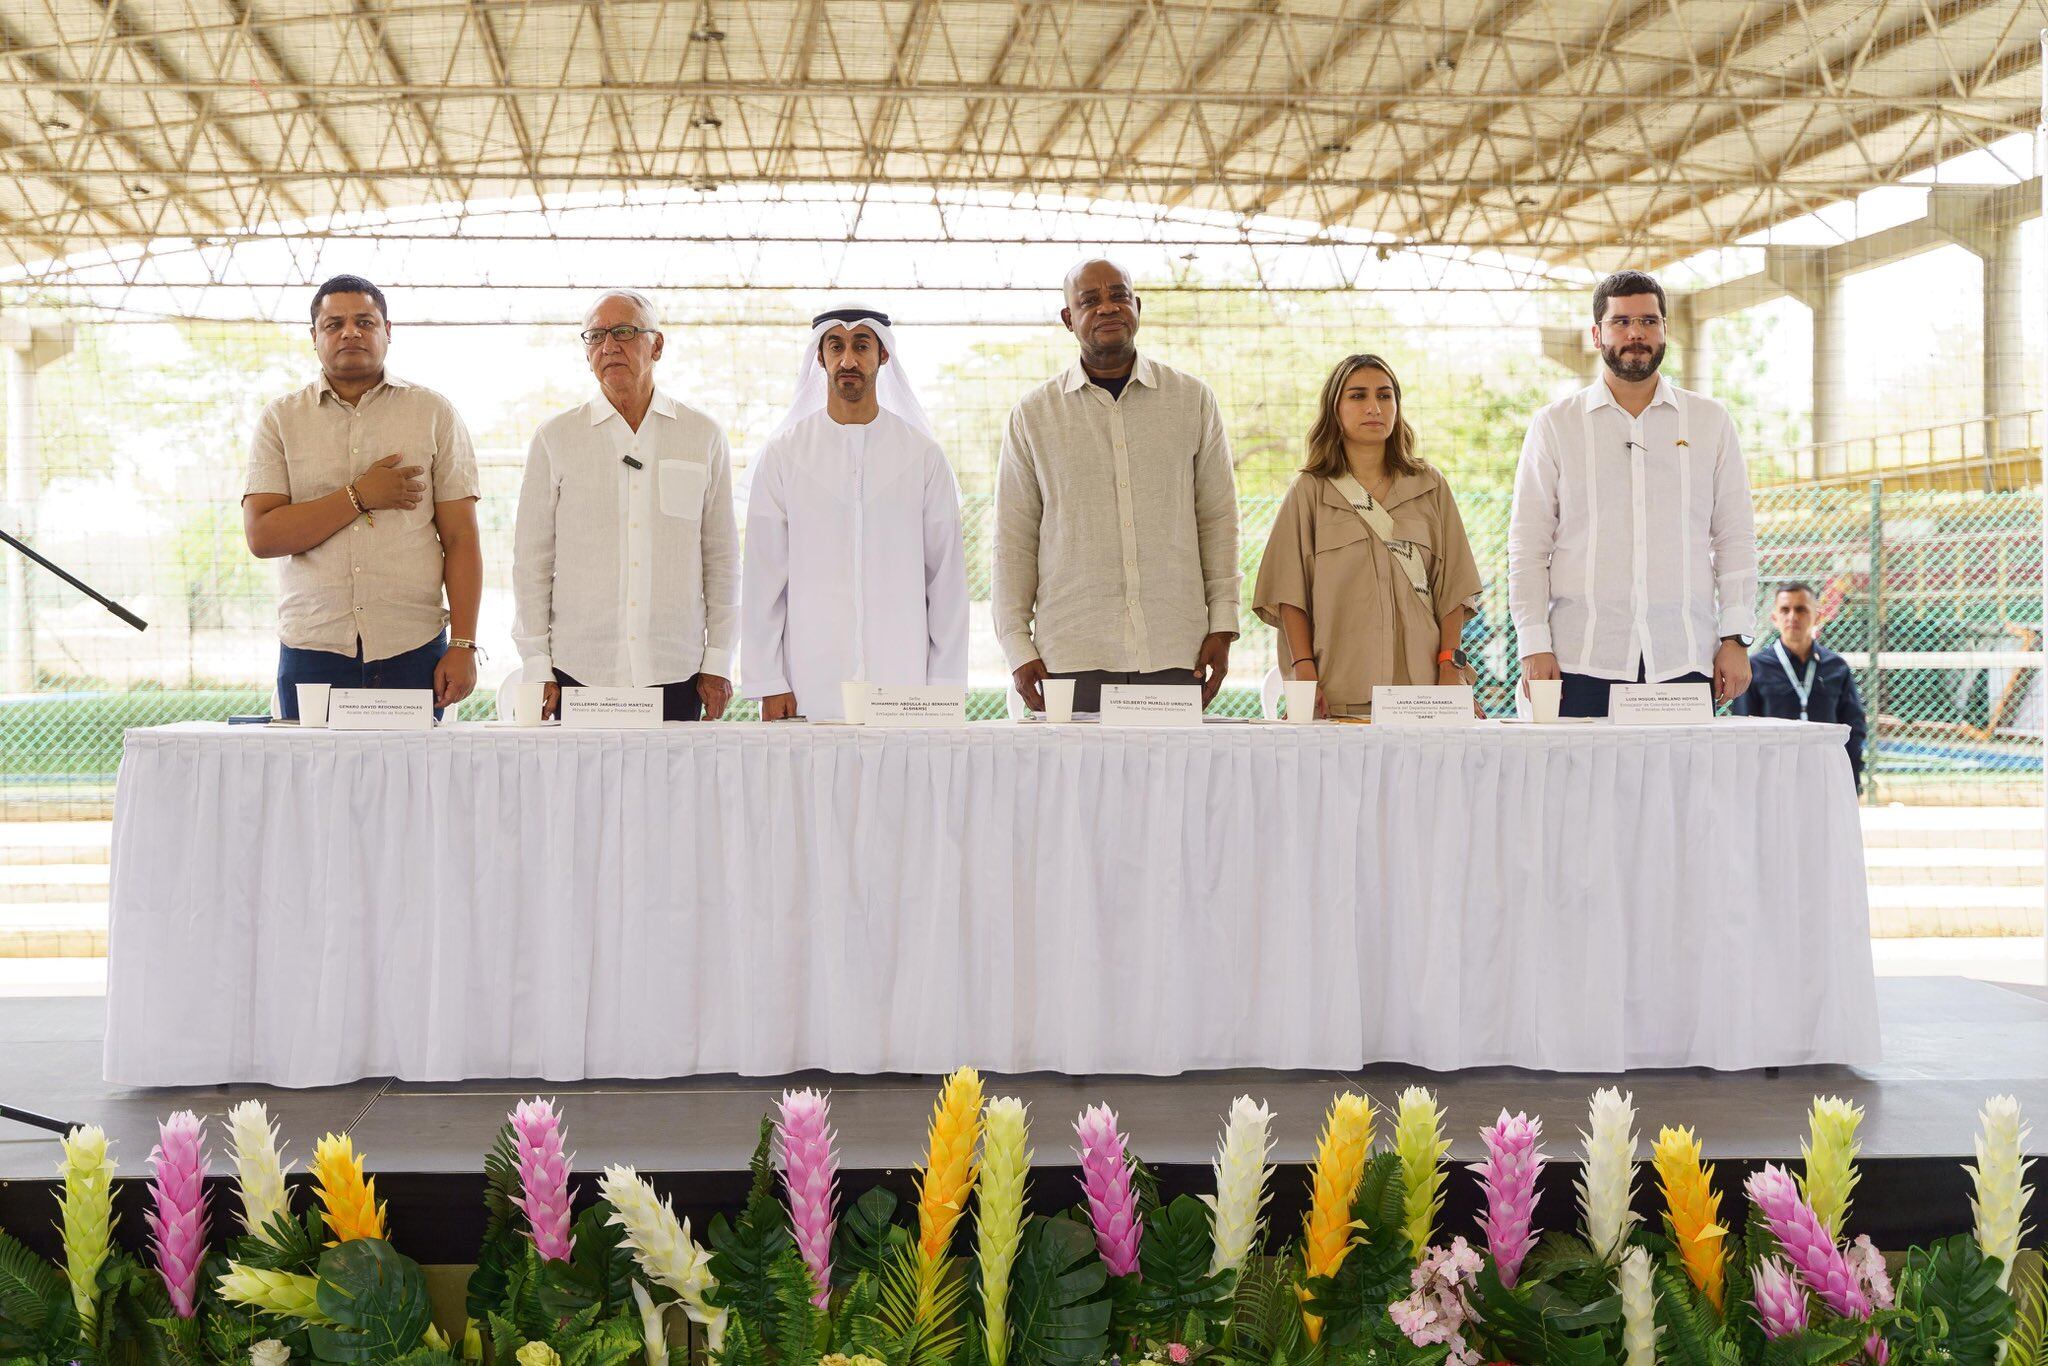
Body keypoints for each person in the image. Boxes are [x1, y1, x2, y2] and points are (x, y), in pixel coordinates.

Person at [993, 258, 1241, 714]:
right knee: (1074, 786)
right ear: (1069, 319)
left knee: (1175, 785)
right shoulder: (1033, 416)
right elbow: (1013, 541)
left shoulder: (1192, 401)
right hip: (1068, 655)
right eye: (1090, 300)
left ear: (1137, 306)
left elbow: (1219, 520)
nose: (1108, 308)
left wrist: (1222, 624)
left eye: (1119, 295)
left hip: (1175, 649)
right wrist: (1016, 644)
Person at [1508, 269, 1758, 718]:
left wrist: (1735, 638)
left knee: (1677, 789)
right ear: (1596, 333)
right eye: (1621, 322)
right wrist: (1533, 644)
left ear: (1665, 329)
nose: (1636, 333)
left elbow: (1735, 538)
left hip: (1683, 657)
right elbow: (1528, 546)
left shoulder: (1710, 421)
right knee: (1577, 788)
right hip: (1577, 660)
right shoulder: (1555, 425)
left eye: (1648, 321)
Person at [242, 274, 482, 719]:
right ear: (313, 337)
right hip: (312, 646)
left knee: (415, 785)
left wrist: (464, 645)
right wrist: (359, 496)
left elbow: (462, 539)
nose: (350, 332)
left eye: (365, 322)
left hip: (412, 648)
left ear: (387, 332)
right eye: (333, 324)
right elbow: (263, 536)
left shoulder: (433, 413)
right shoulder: (281, 420)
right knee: (314, 786)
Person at [511, 289, 740, 721]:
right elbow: (531, 563)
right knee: (581, 791)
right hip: (578, 670)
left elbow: (723, 558)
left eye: (624, 332)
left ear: (657, 345)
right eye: (595, 336)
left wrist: (718, 660)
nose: (609, 346)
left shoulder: (702, 435)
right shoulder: (555, 438)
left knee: (673, 790)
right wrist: (536, 663)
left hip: (679, 671)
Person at [742, 307, 970, 720]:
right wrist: (769, 681)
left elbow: (947, 580)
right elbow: (763, 578)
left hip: (905, 682)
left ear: (883, 356)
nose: (848, 360)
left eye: (861, 346)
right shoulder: (784, 455)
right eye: (836, 346)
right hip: (808, 681)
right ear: (820, 358)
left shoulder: (922, 455)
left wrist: (946, 686)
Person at [1253, 354, 1483, 716]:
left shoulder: (1430, 485)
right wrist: (1303, 672)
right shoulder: (1310, 491)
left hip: (1421, 695)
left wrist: (1449, 669)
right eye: (1358, 396)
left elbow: (1453, 588)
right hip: (1336, 691)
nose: (1374, 407)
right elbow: (1288, 593)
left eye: (1385, 395)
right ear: (1335, 408)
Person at [1734, 582, 1868, 788]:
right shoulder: (1756, 668)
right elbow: (1744, 731)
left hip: (1825, 775)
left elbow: (1853, 724)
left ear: (1817, 616)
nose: (1792, 616)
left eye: (1801, 609)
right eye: (1785, 610)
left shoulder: (1836, 667)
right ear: (1774, 618)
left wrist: (1852, 776)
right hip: (1773, 778)